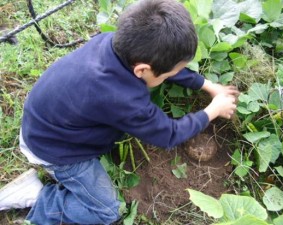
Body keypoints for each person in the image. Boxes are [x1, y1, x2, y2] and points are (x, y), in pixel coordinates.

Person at [0, 0, 239, 224]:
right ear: (142, 69)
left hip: (44, 122)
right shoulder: (121, 98)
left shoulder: (113, 43)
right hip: (55, 151)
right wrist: (212, 110)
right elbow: (168, 134)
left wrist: (207, 85)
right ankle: (38, 199)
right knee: (107, 211)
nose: (170, 77)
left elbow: (168, 66)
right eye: (167, 76)